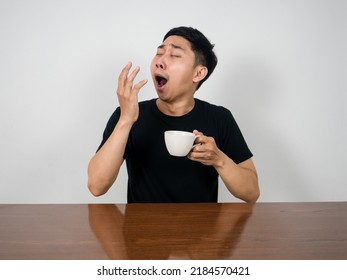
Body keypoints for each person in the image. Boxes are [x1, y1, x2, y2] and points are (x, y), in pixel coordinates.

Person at [88, 26, 260, 203]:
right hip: (140, 229)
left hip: (202, 229)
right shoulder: (128, 114)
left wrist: (219, 159)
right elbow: (96, 186)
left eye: (175, 55)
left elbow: (252, 192)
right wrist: (125, 120)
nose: (160, 61)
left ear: (198, 73)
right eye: (159, 53)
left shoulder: (220, 118)